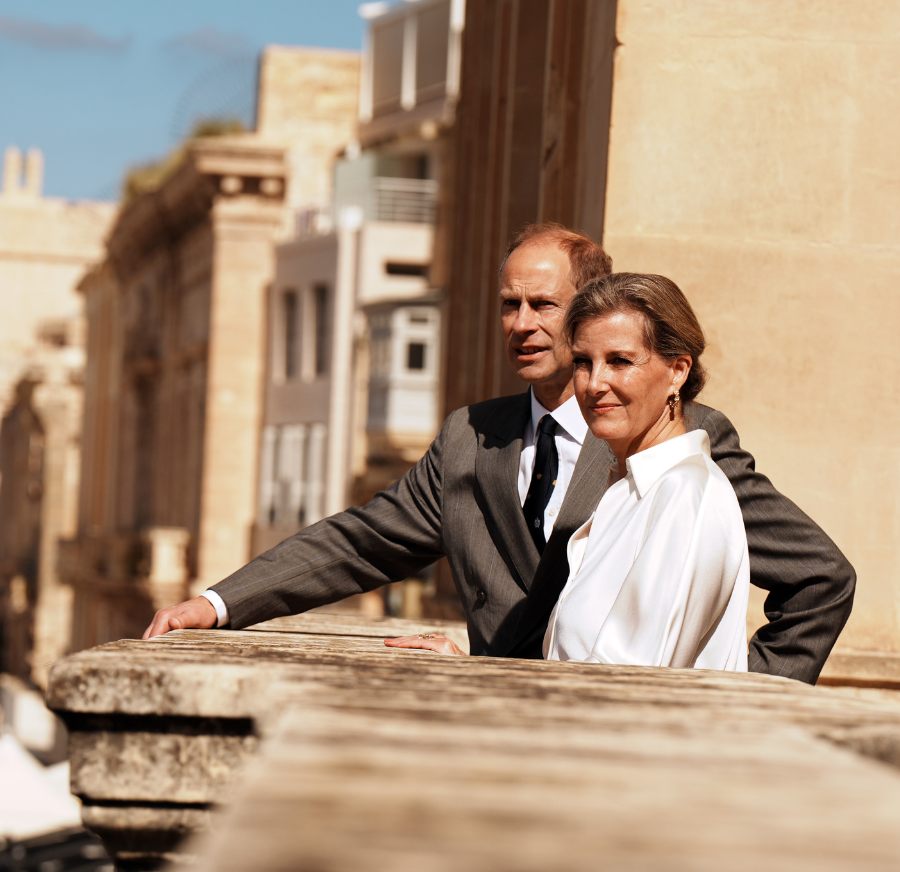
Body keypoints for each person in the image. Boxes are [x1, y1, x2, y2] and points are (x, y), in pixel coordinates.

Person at [143, 223, 854, 684]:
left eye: (543, 306)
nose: (521, 325)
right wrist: (219, 602)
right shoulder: (469, 437)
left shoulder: (682, 452)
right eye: (508, 305)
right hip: (502, 744)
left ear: (588, 309)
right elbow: (362, 542)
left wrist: (751, 699)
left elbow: (819, 579)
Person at [541, 273, 748, 670]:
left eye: (620, 361)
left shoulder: (686, 494)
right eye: (583, 362)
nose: (594, 383)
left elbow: (625, 683)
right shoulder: (629, 489)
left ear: (678, 371)